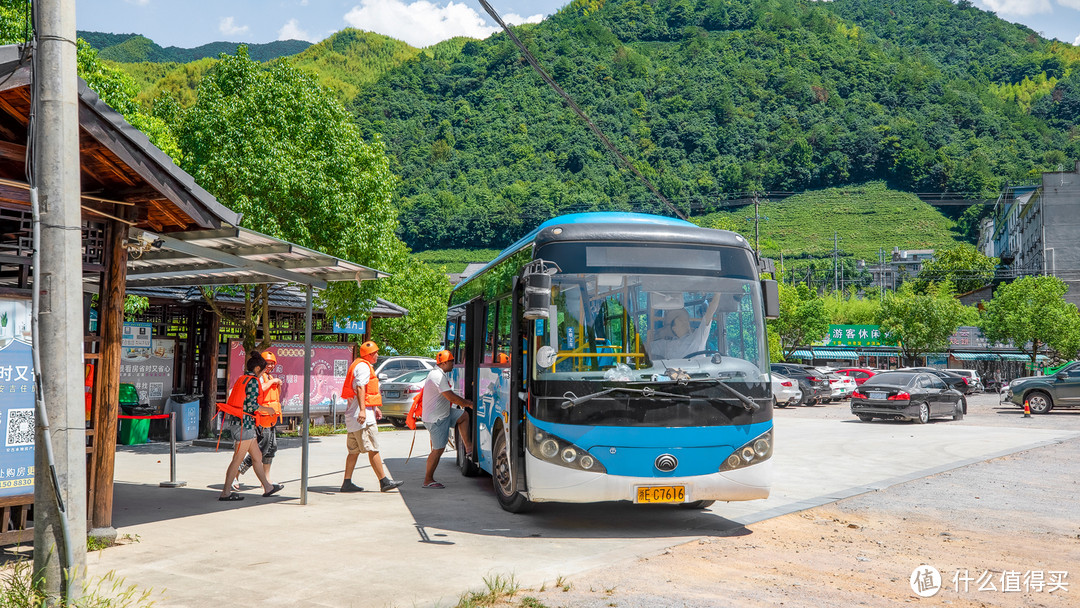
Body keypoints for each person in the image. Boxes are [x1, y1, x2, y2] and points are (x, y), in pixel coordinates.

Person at [340, 340, 404, 493]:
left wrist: (374, 408)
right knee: (373, 448)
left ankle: (346, 482)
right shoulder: (363, 367)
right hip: (362, 418)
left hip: (354, 416)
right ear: (368, 355)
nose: (377, 355)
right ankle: (384, 481)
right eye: (375, 353)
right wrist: (363, 410)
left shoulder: (359, 364)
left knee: (353, 451)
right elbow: (361, 387)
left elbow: (366, 391)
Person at [218, 353, 284, 501]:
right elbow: (252, 405)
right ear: (258, 368)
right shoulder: (253, 381)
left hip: (239, 423)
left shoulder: (242, 379)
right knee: (237, 459)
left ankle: (267, 487)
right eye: (263, 368)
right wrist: (268, 410)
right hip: (245, 425)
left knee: (257, 456)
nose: (264, 372)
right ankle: (226, 493)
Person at [421, 350, 474, 489]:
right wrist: (468, 403)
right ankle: (428, 480)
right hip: (436, 419)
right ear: (443, 363)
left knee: (463, 416)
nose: (453, 364)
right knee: (438, 450)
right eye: (451, 361)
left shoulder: (438, 374)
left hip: (443, 413)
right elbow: (451, 397)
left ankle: (468, 447)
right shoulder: (438, 376)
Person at [236, 351, 282, 486]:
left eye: (272, 364)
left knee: (271, 449)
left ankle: (266, 480)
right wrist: (273, 381)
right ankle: (237, 473)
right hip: (261, 418)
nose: (269, 366)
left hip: (271, 418)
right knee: (260, 449)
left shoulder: (270, 377)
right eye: (267, 364)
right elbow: (259, 390)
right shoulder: (259, 378)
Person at [646, 293, 724, 361]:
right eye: (681, 321)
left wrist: (718, 293)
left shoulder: (697, 339)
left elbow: (710, 313)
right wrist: (652, 337)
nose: (686, 323)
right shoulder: (666, 345)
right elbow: (646, 348)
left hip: (697, 376)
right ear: (674, 328)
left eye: (686, 320)